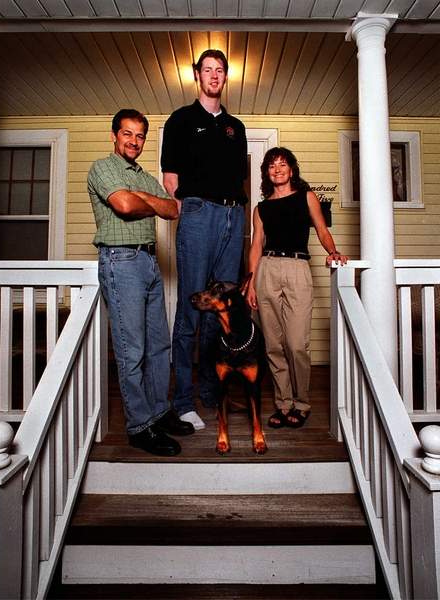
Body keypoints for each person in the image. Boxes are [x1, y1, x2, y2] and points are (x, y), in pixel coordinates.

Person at [88, 109, 194, 457]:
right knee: (131, 350)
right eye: (127, 134)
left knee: (159, 346)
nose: (133, 141)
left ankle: (158, 413)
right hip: (120, 261)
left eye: (140, 136)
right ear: (114, 135)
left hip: (148, 262)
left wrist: (141, 199)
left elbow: (173, 209)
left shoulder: (144, 176)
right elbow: (122, 203)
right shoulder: (103, 168)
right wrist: (148, 201)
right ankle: (139, 427)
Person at [161, 49, 248, 430]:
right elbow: (171, 179)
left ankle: (211, 391)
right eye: (207, 70)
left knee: (221, 305)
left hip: (234, 215)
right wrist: (191, 213)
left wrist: (237, 215)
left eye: (220, 70)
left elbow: (240, 178)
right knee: (192, 307)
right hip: (199, 215)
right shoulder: (181, 120)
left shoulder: (236, 126)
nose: (214, 75)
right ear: (197, 75)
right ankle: (183, 400)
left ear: (226, 77)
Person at [246, 147, 348, 429]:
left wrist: (334, 250)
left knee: (296, 344)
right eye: (272, 166)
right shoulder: (261, 208)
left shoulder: (307, 197)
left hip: (298, 268)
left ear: (291, 169)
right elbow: (256, 246)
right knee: (274, 345)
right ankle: (283, 404)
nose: (277, 169)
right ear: (267, 172)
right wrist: (251, 283)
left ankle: (301, 402)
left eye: (282, 164)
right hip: (267, 269)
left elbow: (322, 230)